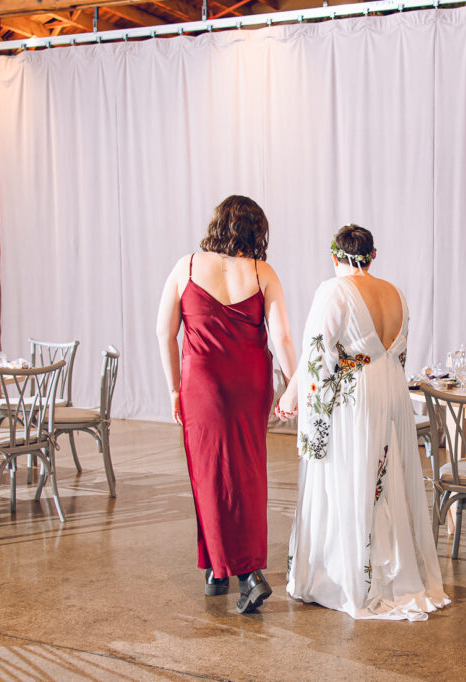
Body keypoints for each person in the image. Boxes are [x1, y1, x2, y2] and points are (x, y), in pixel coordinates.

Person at [277, 225, 449, 621]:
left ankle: (351, 578)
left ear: (334, 256)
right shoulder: (397, 295)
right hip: (391, 392)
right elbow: (399, 355)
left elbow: (317, 357)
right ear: (373, 256)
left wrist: (298, 406)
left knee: (347, 477)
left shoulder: (333, 292)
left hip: (354, 400)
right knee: (386, 480)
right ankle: (393, 571)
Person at [156, 195, 297, 614]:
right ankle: (219, 569)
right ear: (256, 231)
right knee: (247, 476)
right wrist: (295, 386)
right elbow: (283, 339)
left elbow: (164, 333)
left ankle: (247, 574)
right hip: (250, 388)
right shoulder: (261, 271)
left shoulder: (187, 267)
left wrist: (173, 391)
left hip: (202, 385)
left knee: (209, 477)